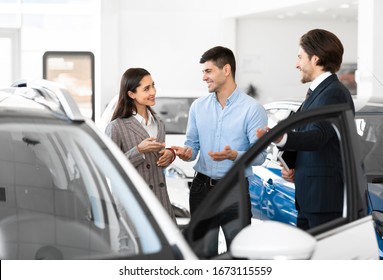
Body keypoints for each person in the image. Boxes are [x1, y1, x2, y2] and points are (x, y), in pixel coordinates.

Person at [172, 46, 268, 254]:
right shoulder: (198, 107)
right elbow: (193, 146)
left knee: (238, 253)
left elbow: (260, 155)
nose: (204, 77)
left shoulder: (252, 109)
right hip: (201, 189)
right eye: (203, 72)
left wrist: (235, 156)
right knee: (202, 253)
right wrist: (187, 153)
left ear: (226, 70)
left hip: (233, 190)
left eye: (208, 71)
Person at [258, 29, 355, 230]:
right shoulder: (319, 93)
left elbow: (318, 136)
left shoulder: (333, 93)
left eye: (300, 57)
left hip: (324, 201)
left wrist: (280, 137)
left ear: (316, 59)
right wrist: (294, 167)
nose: (297, 64)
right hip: (311, 198)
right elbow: (312, 137)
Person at [105, 68, 176, 222]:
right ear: (131, 94)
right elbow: (109, 168)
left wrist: (169, 155)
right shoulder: (116, 127)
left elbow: (158, 163)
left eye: (153, 86)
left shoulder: (159, 123)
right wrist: (138, 150)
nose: (153, 92)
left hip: (161, 203)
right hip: (134, 205)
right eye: (146, 89)